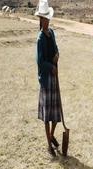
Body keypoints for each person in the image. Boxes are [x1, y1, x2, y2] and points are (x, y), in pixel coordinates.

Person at [35, 0, 60, 157]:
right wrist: (51, 67)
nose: (47, 21)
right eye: (44, 19)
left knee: (55, 114)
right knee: (47, 115)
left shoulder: (51, 33)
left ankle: (51, 135)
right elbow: (39, 60)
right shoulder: (40, 39)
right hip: (46, 79)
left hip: (54, 77)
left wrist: (58, 54)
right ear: (40, 20)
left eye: (48, 19)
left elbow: (56, 49)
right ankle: (48, 143)